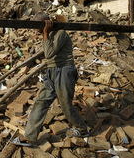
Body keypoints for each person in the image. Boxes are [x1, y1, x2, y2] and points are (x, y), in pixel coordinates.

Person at [23, 12, 88, 144]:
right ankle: (29, 136)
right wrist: (45, 34)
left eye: (40, 28)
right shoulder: (49, 35)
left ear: (47, 23)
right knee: (41, 101)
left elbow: (49, 53)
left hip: (64, 71)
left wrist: (45, 33)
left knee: (65, 105)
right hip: (52, 71)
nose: (38, 31)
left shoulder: (60, 33)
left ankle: (82, 129)